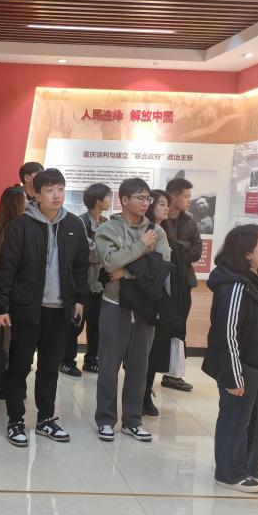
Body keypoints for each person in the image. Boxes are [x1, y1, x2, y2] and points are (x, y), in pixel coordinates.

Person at [0, 169, 89, 447]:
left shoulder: (73, 224)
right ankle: (15, 420)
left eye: (60, 189)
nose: (56, 195)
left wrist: (80, 299)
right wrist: (1, 307)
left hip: (60, 310)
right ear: (36, 193)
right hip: (26, 308)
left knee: (49, 368)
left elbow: (81, 267)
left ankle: (46, 418)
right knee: (19, 367)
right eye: (49, 190)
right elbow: (5, 269)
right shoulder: (22, 225)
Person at [203, 224, 258, 493]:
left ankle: (250, 464)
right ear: (247, 253)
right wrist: (233, 375)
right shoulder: (234, 286)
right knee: (236, 418)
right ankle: (229, 472)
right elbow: (227, 333)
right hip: (242, 365)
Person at [92, 178, 160, 443]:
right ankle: (106, 420)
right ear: (124, 200)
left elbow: (160, 268)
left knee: (139, 367)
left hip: (145, 306)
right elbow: (110, 264)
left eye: (147, 198)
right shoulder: (107, 229)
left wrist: (127, 270)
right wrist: (142, 247)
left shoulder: (156, 230)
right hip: (115, 303)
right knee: (108, 366)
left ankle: (133, 420)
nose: (145, 203)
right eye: (139, 198)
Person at [59, 182, 111, 377]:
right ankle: (66, 361)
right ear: (98, 201)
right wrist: (107, 253)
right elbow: (91, 254)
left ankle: (91, 360)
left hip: (101, 283)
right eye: (107, 197)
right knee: (76, 324)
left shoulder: (106, 222)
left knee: (97, 325)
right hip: (83, 282)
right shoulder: (81, 222)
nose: (109, 201)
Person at [144, 190, 187, 418]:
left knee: (156, 351)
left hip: (164, 299)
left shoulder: (166, 232)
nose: (166, 208)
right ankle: (141, 396)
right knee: (145, 352)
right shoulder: (147, 231)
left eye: (167, 204)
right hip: (149, 297)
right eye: (162, 204)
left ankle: (145, 393)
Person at [0, 187, 28, 399]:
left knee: (1, 339)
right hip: (9, 293)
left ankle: (1, 382)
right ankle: (4, 383)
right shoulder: (17, 229)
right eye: (25, 200)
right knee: (9, 341)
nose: (28, 204)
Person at [163, 175, 203, 394]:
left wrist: (177, 248)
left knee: (179, 326)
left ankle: (174, 374)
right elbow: (161, 249)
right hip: (161, 280)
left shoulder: (189, 221)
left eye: (190, 196)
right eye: (186, 196)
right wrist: (182, 247)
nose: (189, 200)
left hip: (184, 281)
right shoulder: (160, 219)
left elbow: (197, 251)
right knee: (155, 328)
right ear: (173, 196)